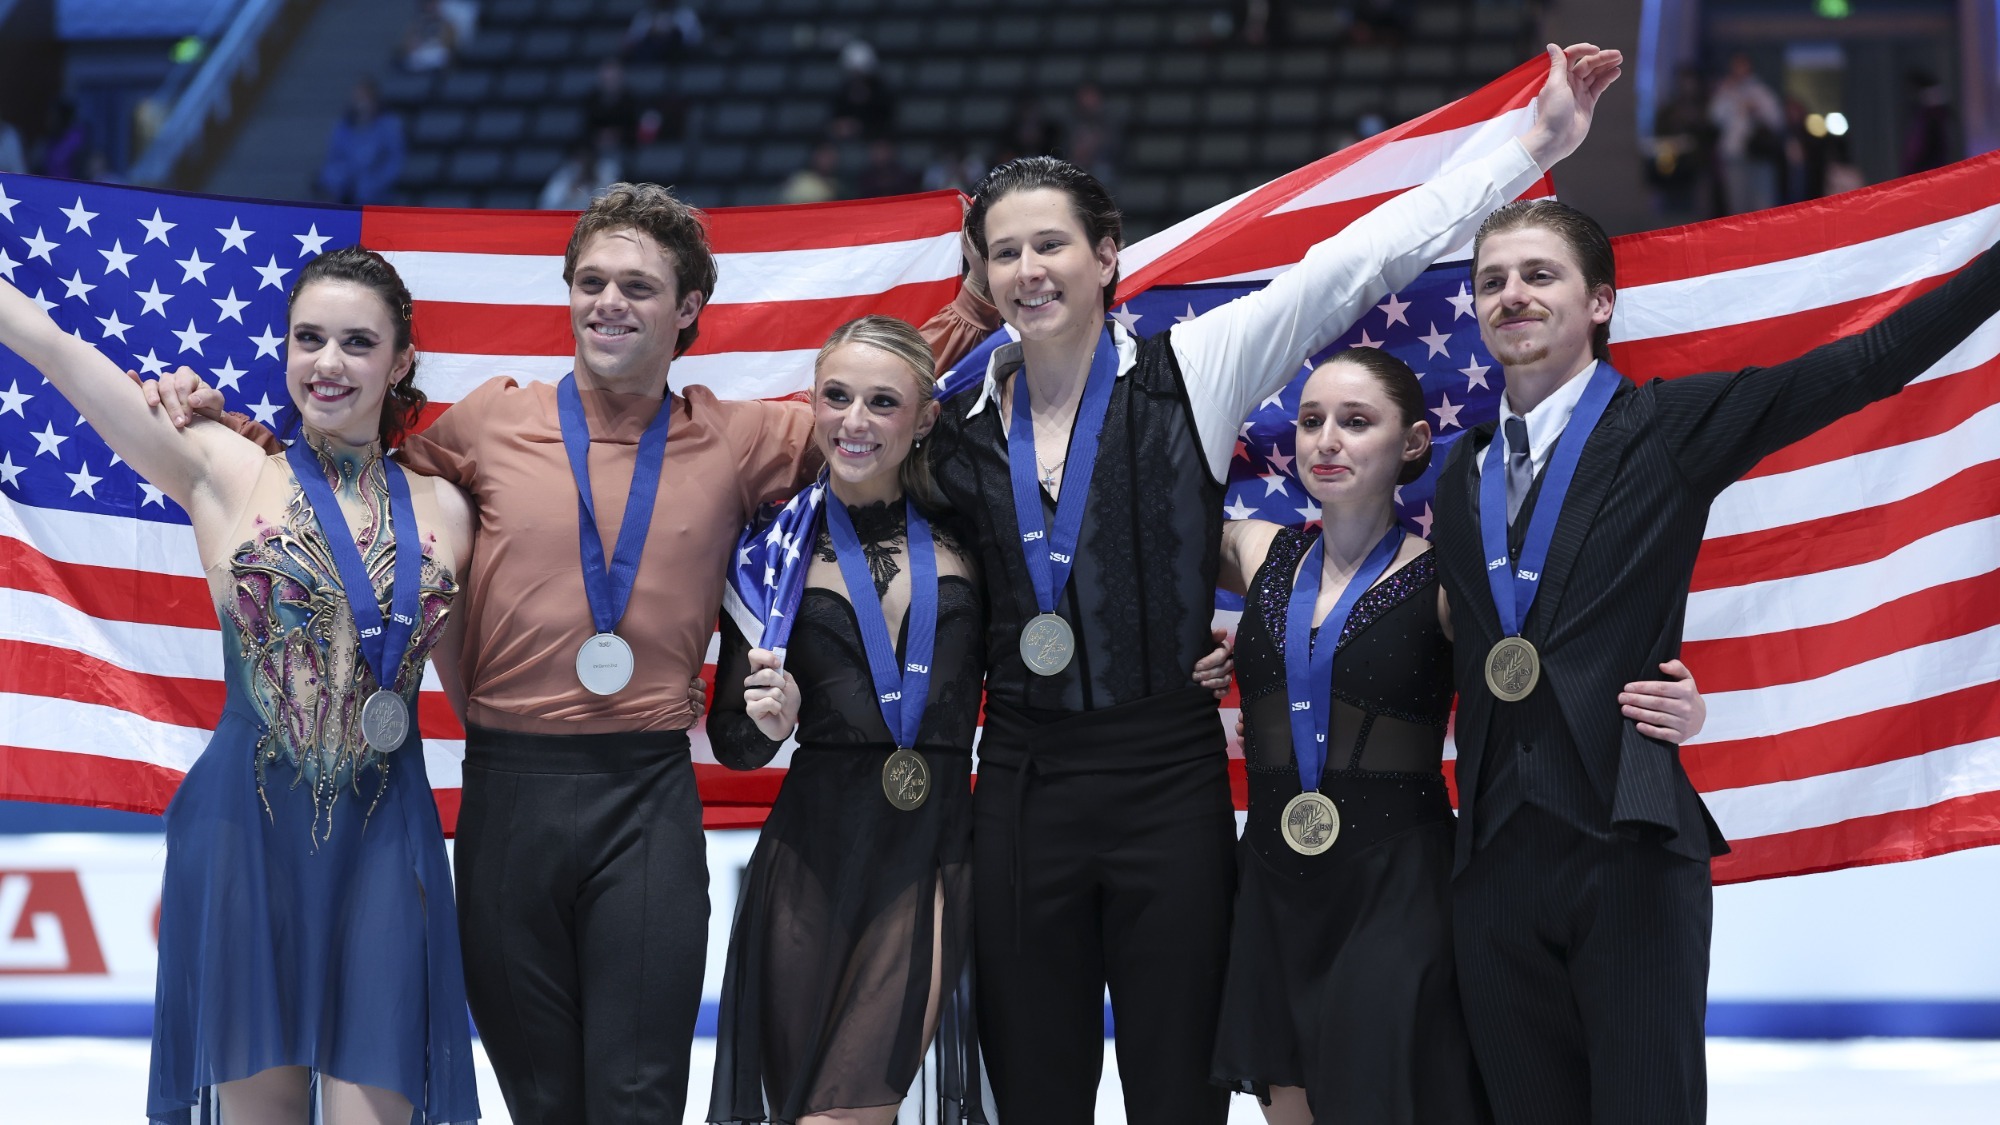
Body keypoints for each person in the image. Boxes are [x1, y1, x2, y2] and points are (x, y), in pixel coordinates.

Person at [150, 184, 1005, 1125]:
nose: (609, 302)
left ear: (686, 311)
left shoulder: (740, 437)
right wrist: (233, 433)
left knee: (636, 1099)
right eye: (590, 280)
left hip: (647, 803)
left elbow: (877, 409)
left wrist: (968, 310)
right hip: (510, 797)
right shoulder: (486, 425)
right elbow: (349, 475)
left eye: (638, 286)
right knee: (546, 1104)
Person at [929, 42, 1621, 1125]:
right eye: (1005, 251)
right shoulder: (952, 424)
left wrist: (1529, 145)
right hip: (1018, 784)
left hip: (1165, 783)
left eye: (1051, 244)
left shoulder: (1191, 370)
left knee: (1178, 1094)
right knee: (1035, 1094)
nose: (1029, 269)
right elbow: (837, 450)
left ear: (1107, 255)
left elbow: (1353, 262)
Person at [1435, 199, 2000, 1125]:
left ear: (1601, 303)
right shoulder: (1460, 477)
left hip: (1628, 840)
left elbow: (1866, 365)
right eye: (1492, 280)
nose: (1512, 295)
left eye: (1539, 274)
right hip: (1491, 857)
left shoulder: (1667, 426)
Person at [704, 316, 1234, 1125]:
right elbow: (736, 746)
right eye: (836, 396)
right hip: (811, 849)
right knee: (803, 1108)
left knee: (847, 1112)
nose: (854, 420)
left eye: (882, 402)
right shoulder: (769, 547)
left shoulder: (972, 527)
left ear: (923, 418)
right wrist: (769, 725)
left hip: (937, 849)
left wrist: (1184, 653)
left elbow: (1078, 608)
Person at [0, 247, 480, 1124]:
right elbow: (59, 350)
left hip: (386, 841)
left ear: (400, 361)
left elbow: (482, 696)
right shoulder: (221, 465)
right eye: (309, 338)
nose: (328, 363)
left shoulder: (449, 509)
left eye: (356, 342)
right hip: (245, 836)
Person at [1208, 347, 1705, 1124]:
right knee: (1292, 1103)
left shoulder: (1449, 581)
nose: (1326, 440)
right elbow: (1136, 555)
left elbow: (1566, 655)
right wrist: (1191, 650)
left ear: (1411, 445)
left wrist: (1682, 700)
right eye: (1311, 422)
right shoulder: (1256, 549)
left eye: (1355, 421)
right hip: (1274, 880)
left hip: (1395, 883)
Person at [1708, 53, 1783, 215]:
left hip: (1759, 153)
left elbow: (1777, 120)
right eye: (1736, 67)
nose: (1739, 71)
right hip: (1734, 154)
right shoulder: (1726, 91)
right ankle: (1740, 239)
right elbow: (1714, 118)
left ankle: (1762, 238)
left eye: (1742, 67)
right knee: (1737, 203)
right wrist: (1724, 93)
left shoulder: (1761, 92)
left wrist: (1757, 110)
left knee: (1762, 202)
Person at [316, 80, 406, 206]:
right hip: (344, 189)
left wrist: (374, 184)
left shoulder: (390, 126)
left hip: (376, 192)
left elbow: (395, 162)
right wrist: (335, 180)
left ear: (374, 99)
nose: (361, 103)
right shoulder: (342, 127)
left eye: (365, 98)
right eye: (358, 98)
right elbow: (333, 159)